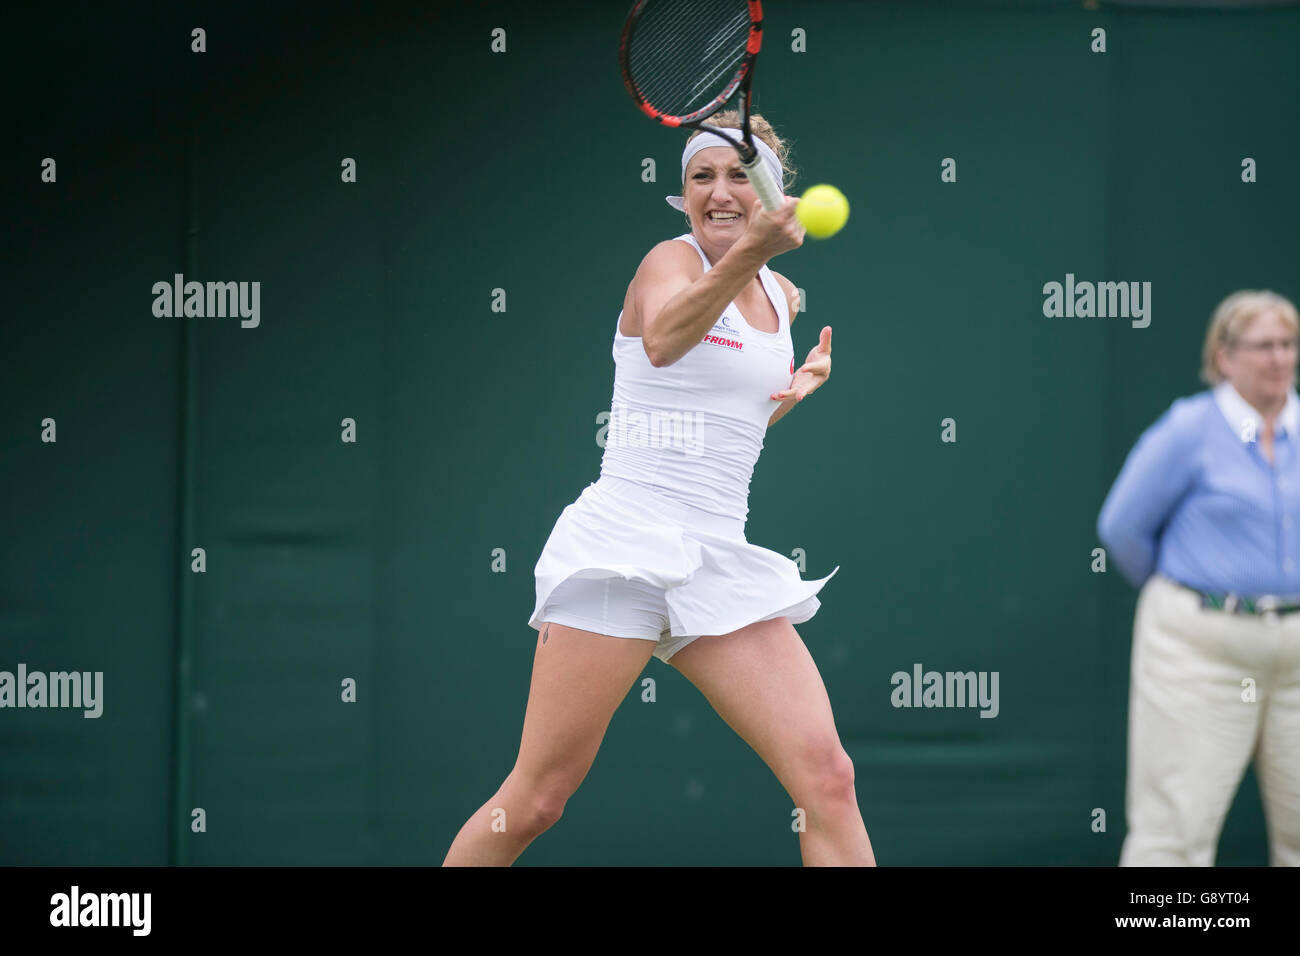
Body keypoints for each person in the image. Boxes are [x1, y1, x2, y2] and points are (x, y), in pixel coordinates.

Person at [442, 112, 875, 866]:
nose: (718, 191)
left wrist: (792, 392)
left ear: (772, 186)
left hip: (716, 558)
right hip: (624, 546)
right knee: (539, 798)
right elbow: (667, 341)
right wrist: (751, 253)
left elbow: (718, 423)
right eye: (700, 176)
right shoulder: (666, 264)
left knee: (828, 778)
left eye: (739, 173)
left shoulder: (782, 295)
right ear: (682, 193)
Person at [1098, 289, 1300, 866]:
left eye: (1288, 345)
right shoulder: (1189, 429)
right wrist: (1193, 597)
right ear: (1224, 356)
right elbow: (1122, 528)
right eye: (1263, 346)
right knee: (1174, 835)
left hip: (1296, 656)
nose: (1279, 359)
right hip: (1197, 652)